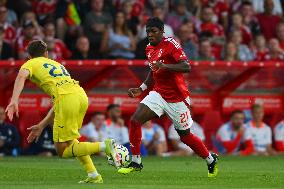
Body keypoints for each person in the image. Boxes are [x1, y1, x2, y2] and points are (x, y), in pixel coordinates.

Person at [5, 40, 119, 184]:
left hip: (67, 100)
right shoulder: (57, 64)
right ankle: (93, 174)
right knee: (71, 140)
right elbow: (58, 105)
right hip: (80, 96)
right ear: (46, 54)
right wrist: (41, 125)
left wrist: (14, 100)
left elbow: (21, 76)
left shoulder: (30, 63)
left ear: (29, 56)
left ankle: (105, 146)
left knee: (62, 151)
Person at [118, 17, 218, 177]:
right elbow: (153, 70)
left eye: (153, 31)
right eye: (148, 31)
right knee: (135, 120)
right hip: (158, 94)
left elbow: (186, 66)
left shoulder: (171, 43)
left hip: (178, 98)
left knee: (185, 137)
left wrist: (165, 65)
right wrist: (141, 88)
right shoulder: (149, 48)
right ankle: (136, 162)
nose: (150, 34)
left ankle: (210, 159)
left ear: (162, 32)